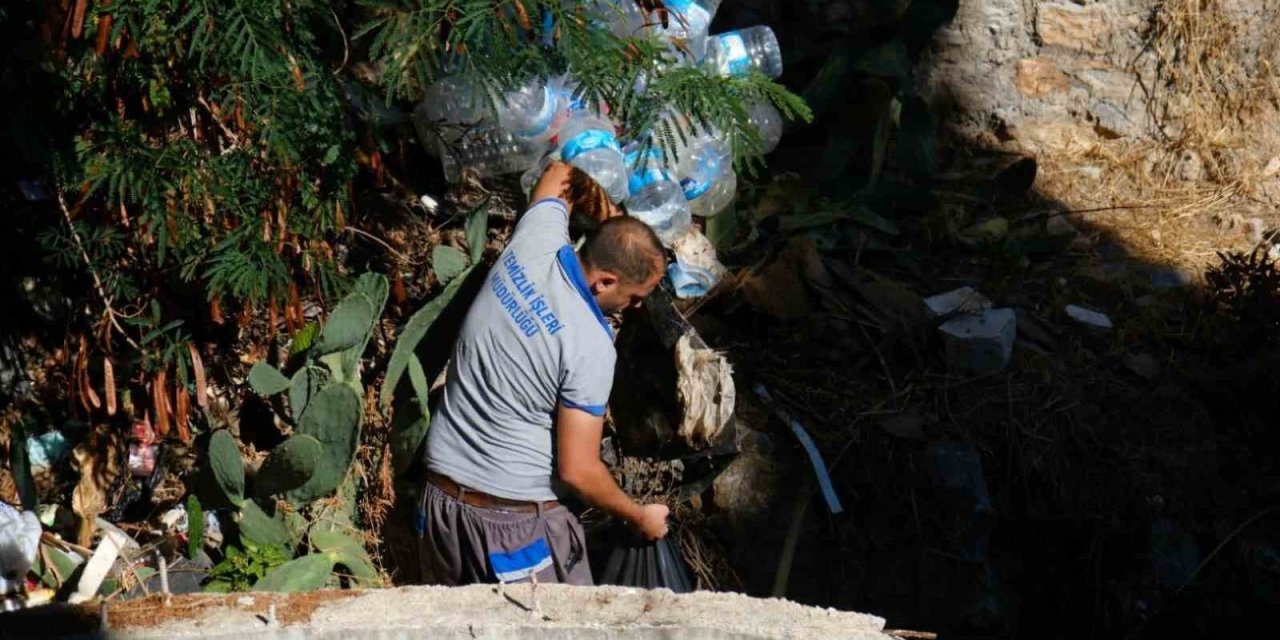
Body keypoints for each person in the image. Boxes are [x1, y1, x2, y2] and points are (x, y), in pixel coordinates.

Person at [418, 160, 670, 587]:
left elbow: (560, 174)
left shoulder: (534, 243)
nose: (637, 307)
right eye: (635, 297)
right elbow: (578, 471)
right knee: (567, 622)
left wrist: (616, 225)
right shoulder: (590, 345)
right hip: (512, 528)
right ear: (604, 282)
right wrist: (638, 515)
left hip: (439, 506)